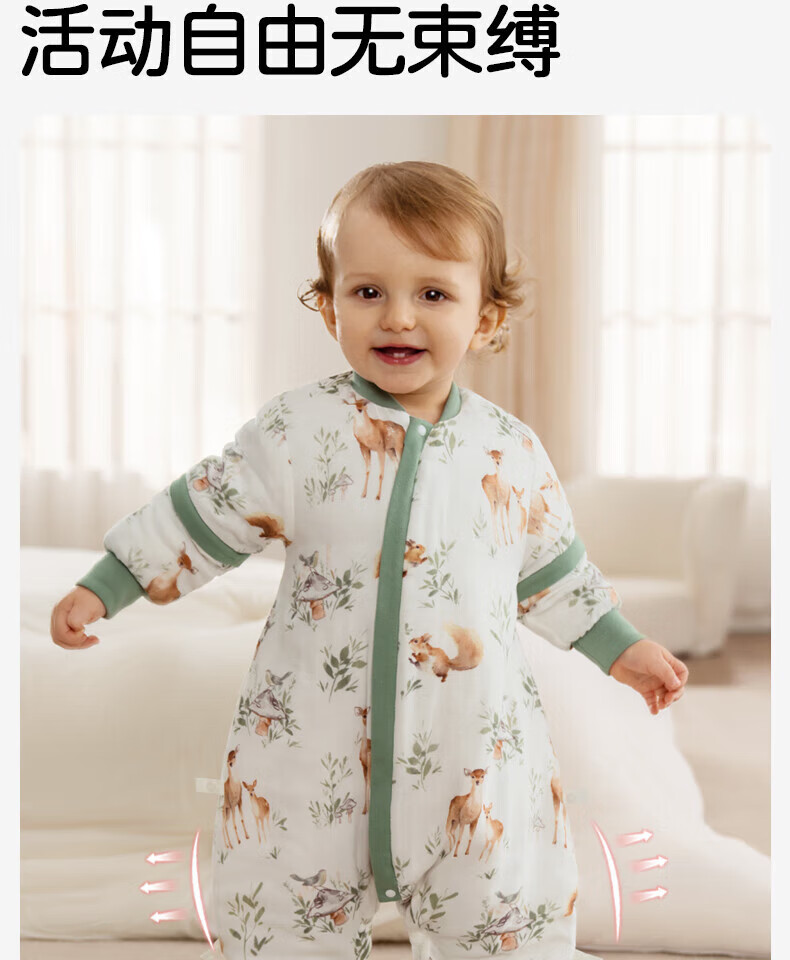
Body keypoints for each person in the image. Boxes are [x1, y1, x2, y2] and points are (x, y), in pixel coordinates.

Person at [50, 160, 688, 960]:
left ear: (485, 317)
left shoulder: (511, 451)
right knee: (282, 909)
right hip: (310, 751)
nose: (399, 317)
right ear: (329, 307)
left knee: (501, 915)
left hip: (474, 750)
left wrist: (623, 647)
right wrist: (108, 585)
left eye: (434, 293)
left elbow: (555, 575)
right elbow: (203, 509)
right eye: (367, 291)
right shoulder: (296, 432)